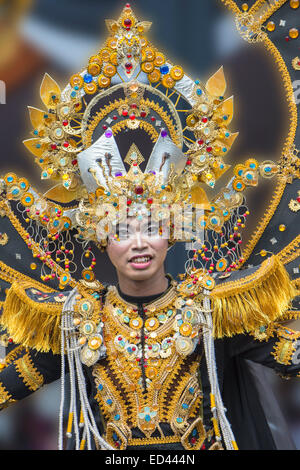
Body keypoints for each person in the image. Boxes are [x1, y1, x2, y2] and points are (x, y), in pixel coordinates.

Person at [0, 4, 299, 451]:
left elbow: (288, 357)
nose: (138, 243)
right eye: (122, 230)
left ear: (173, 233)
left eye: (151, 227)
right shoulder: (78, 322)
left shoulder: (211, 313)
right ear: (102, 239)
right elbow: (12, 382)